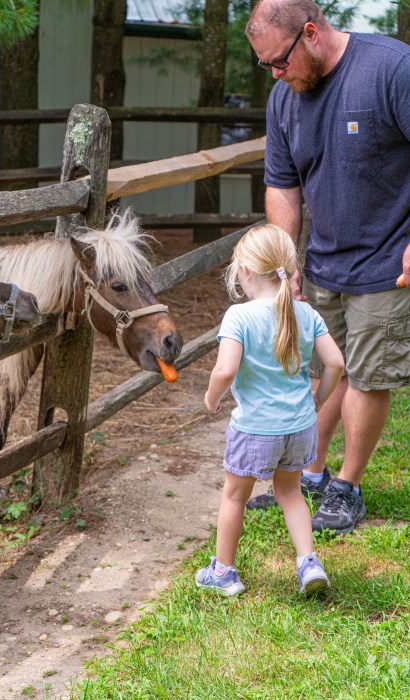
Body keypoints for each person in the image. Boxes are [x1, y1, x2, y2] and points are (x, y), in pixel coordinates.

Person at [244, 0, 410, 533]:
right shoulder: (284, 98)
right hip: (324, 261)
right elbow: (282, 185)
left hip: (389, 259)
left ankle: (348, 484)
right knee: (325, 367)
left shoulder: (390, 69)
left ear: (311, 34)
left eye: (279, 61)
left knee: (365, 372)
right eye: (265, 64)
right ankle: (311, 471)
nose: (275, 73)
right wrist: (282, 263)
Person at [195, 224, 344, 596]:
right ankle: (309, 562)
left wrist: (212, 397)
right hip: (300, 426)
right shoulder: (305, 314)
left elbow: (226, 369)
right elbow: (336, 364)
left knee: (234, 496)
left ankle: (223, 572)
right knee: (290, 492)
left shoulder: (239, 317)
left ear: (244, 272)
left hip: (257, 428)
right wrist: (318, 401)